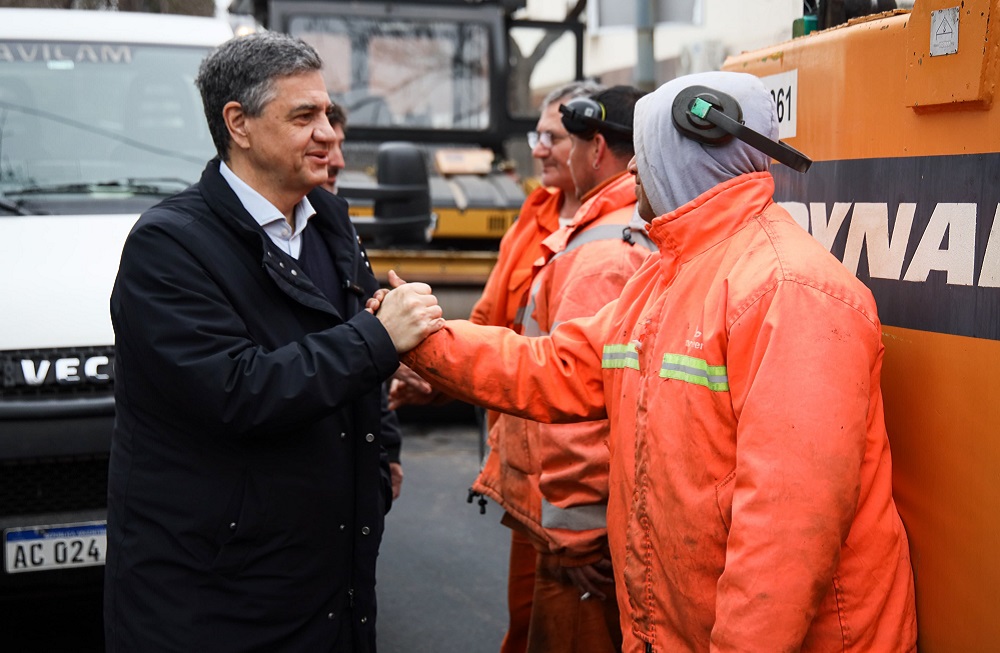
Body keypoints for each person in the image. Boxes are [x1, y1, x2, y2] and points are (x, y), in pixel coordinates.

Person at [393, 70, 918, 652]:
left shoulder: (788, 289)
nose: (633, 170)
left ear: (683, 155)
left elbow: (787, 533)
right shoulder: (666, 279)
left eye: (644, 153)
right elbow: (554, 368)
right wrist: (425, 339)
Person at [105, 32, 443, 652]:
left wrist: (384, 439)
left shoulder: (326, 220)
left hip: (322, 575)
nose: (330, 134)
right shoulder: (168, 245)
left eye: (330, 115)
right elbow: (237, 390)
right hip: (217, 591)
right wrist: (379, 338)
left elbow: (349, 343)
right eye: (304, 116)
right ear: (239, 123)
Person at [393, 80, 625, 653]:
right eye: (539, 136)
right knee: (528, 627)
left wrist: (579, 528)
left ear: (593, 147)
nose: (544, 149)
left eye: (556, 137)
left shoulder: (603, 248)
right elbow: (497, 323)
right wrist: (440, 380)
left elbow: (574, 379)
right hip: (535, 481)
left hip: (568, 489)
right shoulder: (540, 214)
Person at [320, 100, 405, 501]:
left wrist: (385, 447)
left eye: (339, 143)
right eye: (324, 145)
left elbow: (371, 358)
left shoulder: (339, 230)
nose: (336, 160)